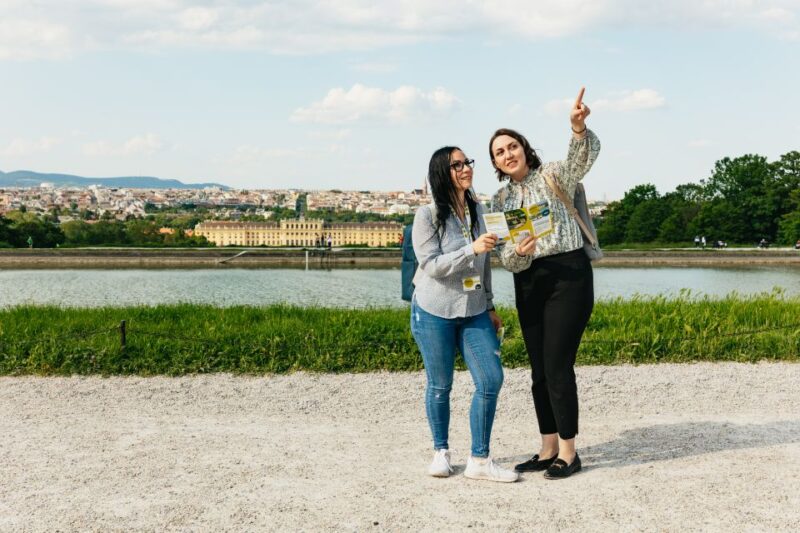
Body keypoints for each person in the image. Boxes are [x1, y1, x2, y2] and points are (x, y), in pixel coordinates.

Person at [489, 87, 600, 480]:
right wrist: (520, 251)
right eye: (499, 152)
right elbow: (504, 258)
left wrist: (577, 127)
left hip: (568, 275)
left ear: (524, 148)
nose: (508, 154)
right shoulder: (499, 200)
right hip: (529, 280)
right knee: (538, 369)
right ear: (497, 163)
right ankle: (547, 446)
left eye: (512, 146)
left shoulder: (553, 173)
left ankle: (569, 453)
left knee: (557, 365)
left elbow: (581, 159)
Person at [410, 145, 518, 483]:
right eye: (457, 165)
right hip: (433, 309)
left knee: (490, 379)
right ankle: (440, 451)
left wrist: (490, 304)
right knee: (440, 384)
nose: (466, 168)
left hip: (473, 310)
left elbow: (484, 266)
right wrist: (470, 248)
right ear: (443, 173)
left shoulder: (480, 211)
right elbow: (431, 265)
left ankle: (479, 460)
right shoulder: (426, 216)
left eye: (467, 162)